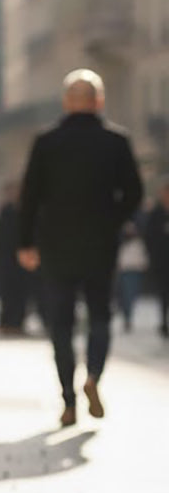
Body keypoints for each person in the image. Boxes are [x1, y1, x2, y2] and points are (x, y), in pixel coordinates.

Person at [18, 69, 142, 426]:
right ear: (99, 102)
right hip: (100, 244)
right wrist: (112, 220)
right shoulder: (116, 141)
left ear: (66, 103)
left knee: (61, 324)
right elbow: (134, 193)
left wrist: (26, 242)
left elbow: (30, 197)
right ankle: (93, 377)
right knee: (100, 316)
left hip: (56, 245)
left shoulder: (47, 141)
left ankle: (69, 401)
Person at [0, 183, 30, 336]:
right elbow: (0, 236)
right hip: (7, 259)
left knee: (21, 293)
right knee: (8, 293)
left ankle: (17, 323)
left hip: (22, 259)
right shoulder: (6, 211)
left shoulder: (25, 210)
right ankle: (6, 322)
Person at [143, 180, 169, 337]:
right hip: (162, 261)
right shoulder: (156, 214)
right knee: (164, 292)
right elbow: (149, 237)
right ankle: (164, 321)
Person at [116, 218, 148, 333]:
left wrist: (142, 265)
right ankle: (126, 317)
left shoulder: (139, 242)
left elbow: (143, 257)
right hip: (124, 271)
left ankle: (128, 317)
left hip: (135, 272)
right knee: (125, 296)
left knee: (131, 295)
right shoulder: (121, 242)